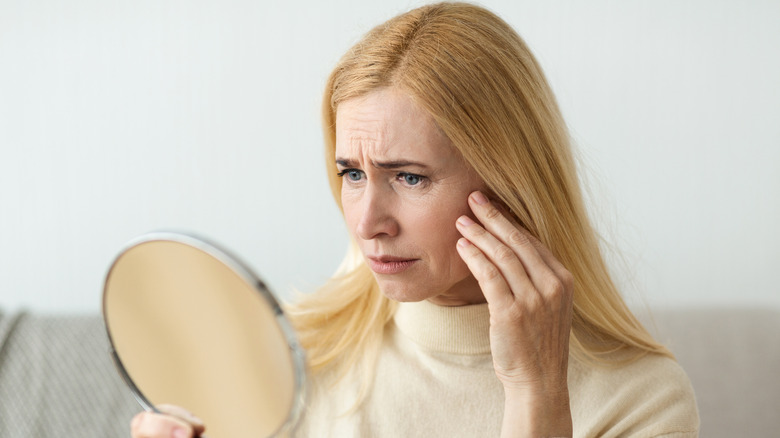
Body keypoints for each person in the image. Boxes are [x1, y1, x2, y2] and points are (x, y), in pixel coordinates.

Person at [131, 2, 699, 437]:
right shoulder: (291, 362)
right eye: (352, 173)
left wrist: (536, 392)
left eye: (409, 177)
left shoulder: (642, 400)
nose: (368, 222)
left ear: (509, 183)